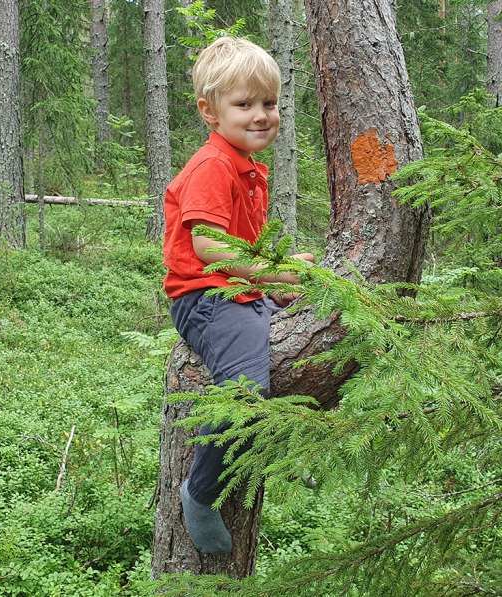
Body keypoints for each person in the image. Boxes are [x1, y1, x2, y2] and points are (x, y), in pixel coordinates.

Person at [162, 36, 314, 555]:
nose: (260, 116)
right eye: (243, 104)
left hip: (237, 289)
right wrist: (273, 275)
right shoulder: (213, 165)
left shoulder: (247, 167)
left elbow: (241, 245)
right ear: (209, 111)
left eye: (268, 104)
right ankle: (199, 494)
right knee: (245, 389)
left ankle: (286, 455)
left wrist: (280, 273)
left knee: (317, 340)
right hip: (207, 298)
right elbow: (206, 246)